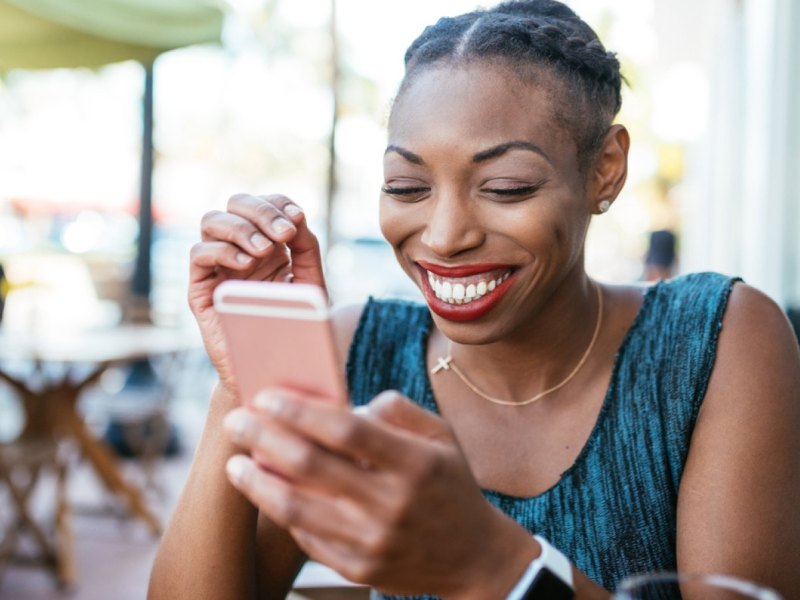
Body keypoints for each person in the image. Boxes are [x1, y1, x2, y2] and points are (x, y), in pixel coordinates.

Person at [148, 1, 800, 598]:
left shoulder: (713, 343)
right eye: (406, 186)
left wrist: (492, 564)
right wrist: (242, 385)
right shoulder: (354, 356)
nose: (444, 235)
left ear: (604, 169)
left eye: (506, 186)